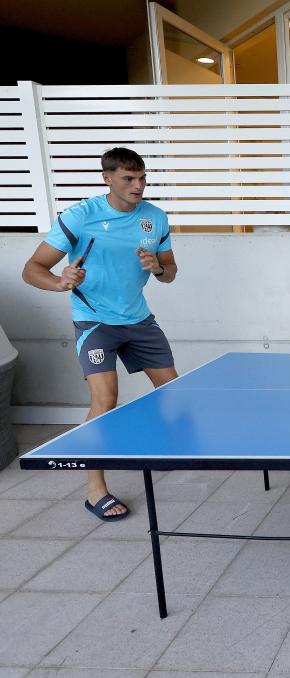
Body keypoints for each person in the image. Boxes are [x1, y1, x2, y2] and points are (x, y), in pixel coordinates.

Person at [22, 147, 179, 521]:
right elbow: (32, 269)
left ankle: (154, 447)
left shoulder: (155, 218)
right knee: (105, 400)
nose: (138, 186)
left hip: (138, 319)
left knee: (174, 392)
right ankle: (96, 490)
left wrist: (158, 267)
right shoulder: (81, 216)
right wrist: (60, 283)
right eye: (128, 179)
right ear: (107, 178)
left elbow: (170, 271)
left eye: (142, 178)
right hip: (94, 322)